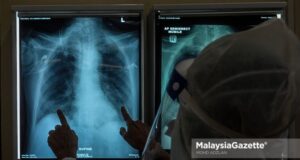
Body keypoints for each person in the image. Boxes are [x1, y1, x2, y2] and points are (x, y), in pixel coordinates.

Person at [48, 19, 300, 160]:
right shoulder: (260, 148)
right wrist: (157, 154)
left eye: (186, 111)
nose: (174, 124)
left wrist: (68, 156)